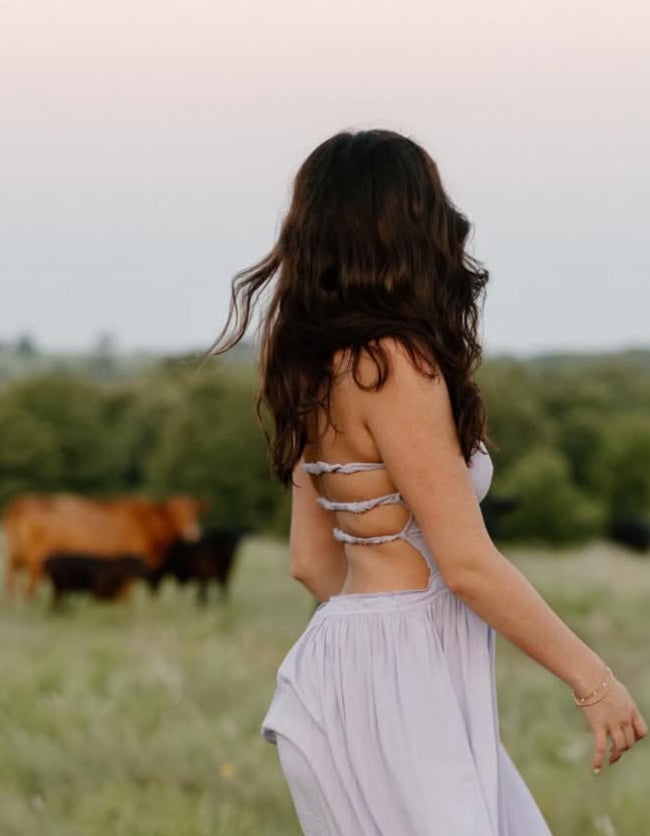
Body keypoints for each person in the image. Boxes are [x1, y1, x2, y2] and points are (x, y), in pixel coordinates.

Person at [206, 129, 647, 834]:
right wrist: (594, 681)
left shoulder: (309, 365)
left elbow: (311, 562)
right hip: (405, 684)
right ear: (404, 227)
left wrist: (380, 655)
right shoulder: (394, 364)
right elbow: (467, 565)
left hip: (336, 678)